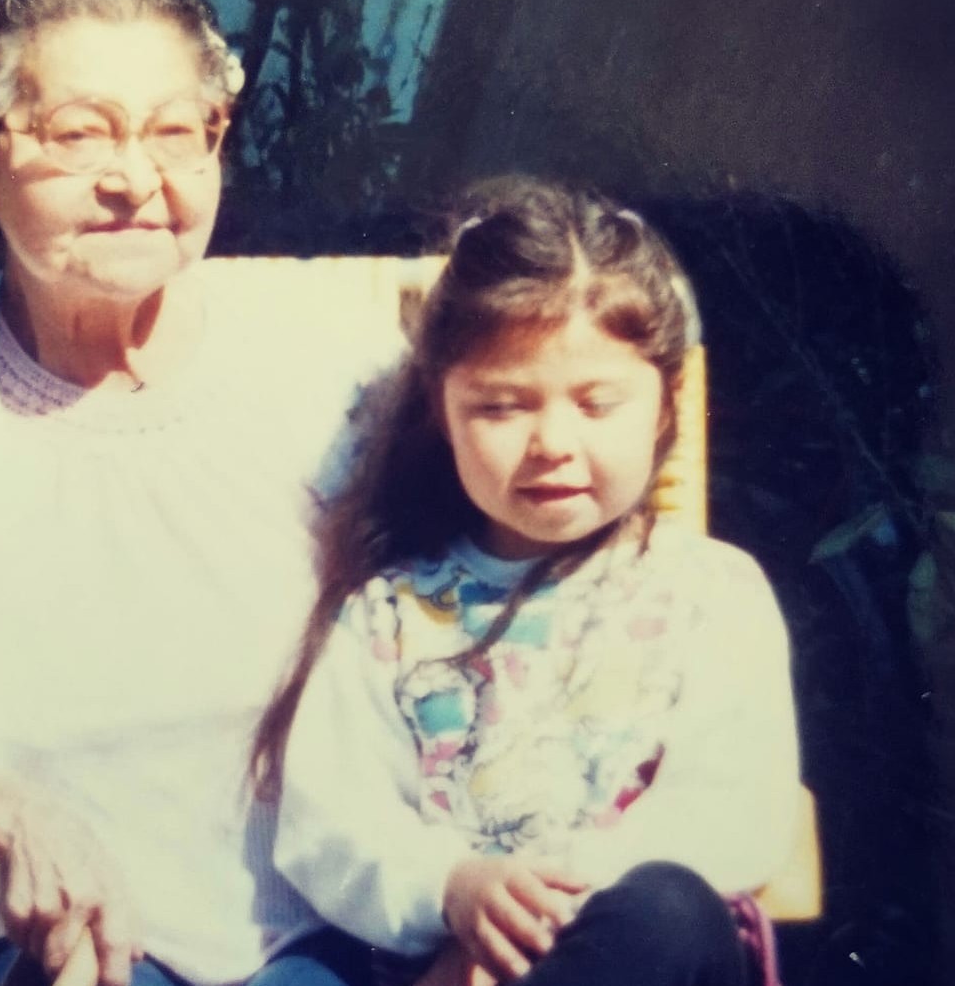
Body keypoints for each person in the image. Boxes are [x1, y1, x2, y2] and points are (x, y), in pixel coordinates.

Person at [0, 0, 401, 986]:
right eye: (78, 134)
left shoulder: (341, 354)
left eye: (176, 133)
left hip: (351, 925)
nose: (135, 180)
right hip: (73, 944)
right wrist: (3, 809)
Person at [253, 177, 803, 986]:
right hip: (437, 961)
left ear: (663, 407)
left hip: (626, 951)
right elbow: (330, 823)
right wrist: (454, 887)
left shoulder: (712, 595)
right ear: (442, 414)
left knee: (669, 912)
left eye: (596, 403)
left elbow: (735, 810)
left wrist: (552, 896)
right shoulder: (390, 613)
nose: (551, 441)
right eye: (502, 407)